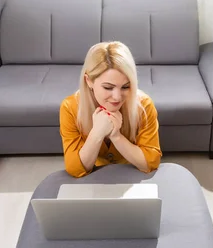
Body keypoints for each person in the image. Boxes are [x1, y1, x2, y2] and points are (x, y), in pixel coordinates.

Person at [59, 41, 162, 177]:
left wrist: (116, 136)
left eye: (125, 86)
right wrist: (97, 133)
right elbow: (75, 169)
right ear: (88, 81)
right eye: (108, 87)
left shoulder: (144, 105)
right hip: (93, 177)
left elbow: (150, 163)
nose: (117, 97)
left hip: (132, 172)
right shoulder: (70, 108)